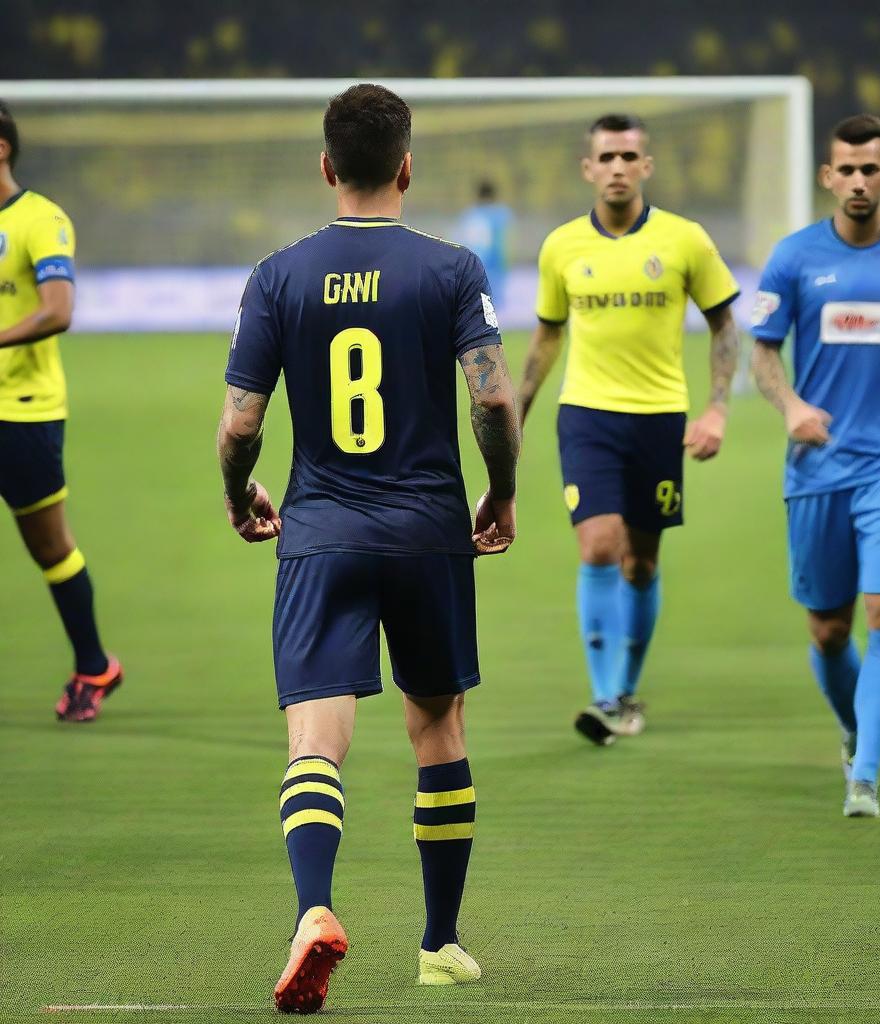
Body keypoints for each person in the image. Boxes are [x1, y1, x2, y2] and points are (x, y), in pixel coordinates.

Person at [217, 84, 520, 1012]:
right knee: (438, 729)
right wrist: (501, 492)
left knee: (316, 741)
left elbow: (239, 424)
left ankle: (314, 910)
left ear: (325, 165)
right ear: (406, 165)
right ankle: (439, 944)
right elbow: (494, 399)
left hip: (321, 532)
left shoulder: (279, 276)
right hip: (428, 532)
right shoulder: (453, 270)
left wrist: (240, 492)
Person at [750, 114, 880, 818]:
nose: (860, 180)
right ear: (827, 176)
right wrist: (791, 410)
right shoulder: (794, 257)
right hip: (817, 466)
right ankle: (853, 727)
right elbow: (764, 351)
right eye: (848, 168)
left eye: (873, 169)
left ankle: (863, 774)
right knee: (830, 629)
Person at [517, 113, 740, 745]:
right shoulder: (561, 246)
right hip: (586, 414)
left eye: (627, 156)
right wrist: (518, 412)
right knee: (598, 548)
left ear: (646, 166)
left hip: (659, 418)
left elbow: (725, 324)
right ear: (588, 169)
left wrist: (718, 407)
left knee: (641, 563)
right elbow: (547, 335)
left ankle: (626, 689)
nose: (617, 167)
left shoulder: (684, 240)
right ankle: (605, 696)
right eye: (605, 157)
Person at [0, 100, 122, 722]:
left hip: (21, 412)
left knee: (50, 547)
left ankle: (93, 664)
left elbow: (57, 310)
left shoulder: (40, 219)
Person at [454, 180, 513, 308]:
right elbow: (502, 243)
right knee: (492, 311)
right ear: (493, 195)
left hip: (471, 268)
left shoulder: (468, 215)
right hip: (493, 267)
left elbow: (459, 241)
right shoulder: (500, 214)